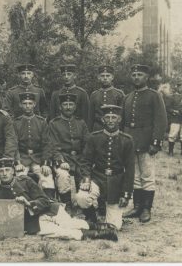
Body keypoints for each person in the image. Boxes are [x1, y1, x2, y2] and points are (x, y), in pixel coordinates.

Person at [0, 158, 118, 241]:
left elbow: (44, 200)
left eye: (7, 170)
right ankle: (99, 235)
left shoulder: (25, 181)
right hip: (32, 222)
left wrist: (29, 203)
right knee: (62, 232)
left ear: (13, 171)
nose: (4, 173)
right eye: (1, 171)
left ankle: (99, 226)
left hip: (50, 210)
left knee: (70, 223)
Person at [75, 105, 135, 229]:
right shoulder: (94, 137)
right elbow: (85, 161)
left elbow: (130, 170)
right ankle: (91, 217)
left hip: (116, 182)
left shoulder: (127, 140)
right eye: (107, 117)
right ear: (102, 119)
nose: (111, 120)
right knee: (81, 197)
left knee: (114, 226)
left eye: (114, 117)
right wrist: (86, 179)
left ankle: (106, 210)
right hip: (98, 178)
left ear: (119, 119)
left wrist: (126, 194)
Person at [122, 64, 167, 223]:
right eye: (133, 74)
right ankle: (137, 206)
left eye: (139, 74)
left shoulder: (154, 95)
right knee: (134, 176)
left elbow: (160, 120)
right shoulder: (127, 97)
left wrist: (156, 142)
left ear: (146, 77)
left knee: (147, 175)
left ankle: (146, 208)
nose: (136, 77)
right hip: (130, 141)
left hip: (146, 142)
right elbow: (123, 123)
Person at [48, 93, 89, 213]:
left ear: (75, 107)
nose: (68, 107)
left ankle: (84, 205)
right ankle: (67, 204)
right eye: (65, 104)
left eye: (71, 104)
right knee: (63, 175)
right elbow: (52, 145)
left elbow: (87, 143)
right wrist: (60, 160)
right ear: (60, 107)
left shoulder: (81, 122)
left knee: (86, 175)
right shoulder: (54, 123)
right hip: (63, 157)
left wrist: (86, 159)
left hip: (80, 158)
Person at [13, 92, 56, 198]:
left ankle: (48, 204)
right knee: (20, 177)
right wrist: (17, 162)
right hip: (22, 158)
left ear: (34, 104)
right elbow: (14, 144)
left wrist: (45, 163)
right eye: (24, 103)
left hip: (38, 158)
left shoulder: (41, 122)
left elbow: (47, 144)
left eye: (30, 103)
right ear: (20, 105)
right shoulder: (16, 123)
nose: (27, 106)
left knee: (47, 177)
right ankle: (24, 207)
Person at [88, 65, 124, 132]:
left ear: (112, 77)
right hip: (97, 128)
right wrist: (90, 132)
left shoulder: (119, 94)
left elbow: (121, 115)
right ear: (98, 77)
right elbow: (90, 116)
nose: (105, 78)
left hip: (113, 129)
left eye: (108, 76)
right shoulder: (94, 94)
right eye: (102, 76)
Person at [161, 82, 182, 156]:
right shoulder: (172, 97)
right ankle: (171, 151)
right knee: (172, 135)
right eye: (180, 87)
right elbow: (167, 107)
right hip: (176, 118)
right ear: (178, 87)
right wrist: (174, 111)